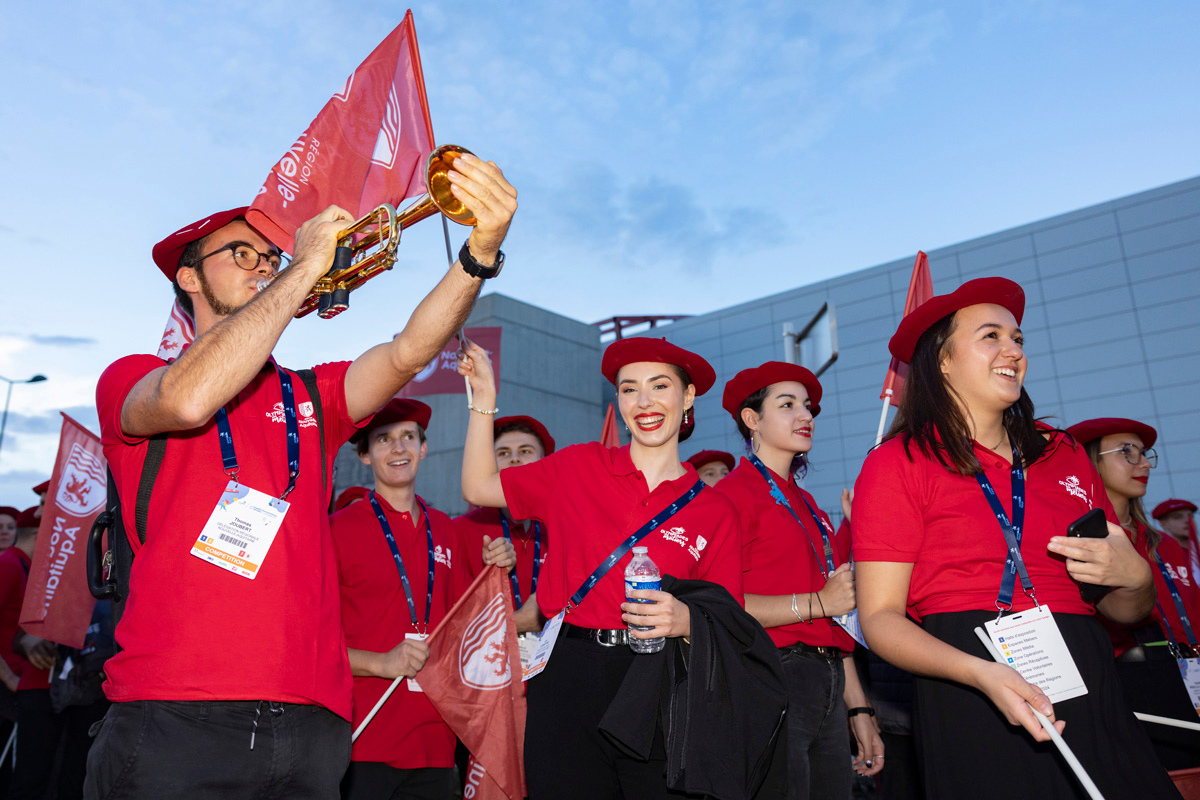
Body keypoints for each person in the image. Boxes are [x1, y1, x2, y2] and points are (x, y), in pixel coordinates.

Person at [86, 153, 516, 800]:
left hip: (312, 721)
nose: (262, 264)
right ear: (188, 277)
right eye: (242, 253)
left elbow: (408, 351)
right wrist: (302, 269)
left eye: (270, 256)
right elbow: (188, 400)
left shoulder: (310, 394)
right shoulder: (134, 375)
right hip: (176, 709)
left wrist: (478, 255)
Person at [852, 277, 1178, 799]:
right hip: (968, 678)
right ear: (942, 360)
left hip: (1084, 668)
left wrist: (1137, 580)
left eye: (1018, 338)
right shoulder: (897, 462)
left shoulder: (1064, 453)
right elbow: (880, 619)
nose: (1014, 351)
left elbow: (1123, 609)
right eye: (991, 336)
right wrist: (980, 674)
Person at [458, 336, 745, 799]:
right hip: (568, 674)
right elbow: (477, 486)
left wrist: (686, 619)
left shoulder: (716, 511)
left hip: (660, 680)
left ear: (688, 396)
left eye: (660, 386)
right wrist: (484, 399)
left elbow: (730, 622)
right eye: (630, 389)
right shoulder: (578, 466)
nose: (644, 402)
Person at [332, 397, 514, 799]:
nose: (399, 448)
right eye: (384, 439)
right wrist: (381, 662)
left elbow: (469, 627)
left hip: (437, 742)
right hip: (363, 738)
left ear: (424, 448)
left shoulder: (446, 529)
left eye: (408, 437)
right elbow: (312, 643)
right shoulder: (336, 530)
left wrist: (496, 564)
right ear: (364, 455)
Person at [715, 362, 882, 799]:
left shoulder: (810, 505)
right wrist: (817, 602)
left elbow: (837, 614)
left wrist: (858, 709)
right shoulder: (728, 498)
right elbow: (721, 607)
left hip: (828, 681)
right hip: (772, 674)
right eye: (787, 405)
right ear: (752, 419)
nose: (806, 415)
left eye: (807, 406)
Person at [1069, 417, 1200, 770]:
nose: (1143, 464)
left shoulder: (1165, 545)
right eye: (1126, 452)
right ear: (1092, 462)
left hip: (1185, 677)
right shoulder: (1083, 543)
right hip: (1124, 687)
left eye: (1144, 454)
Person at [454, 414, 556, 637]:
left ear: (544, 463)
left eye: (526, 451)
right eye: (503, 453)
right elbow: (450, 620)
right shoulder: (459, 530)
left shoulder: (562, 527)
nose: (515, 459)